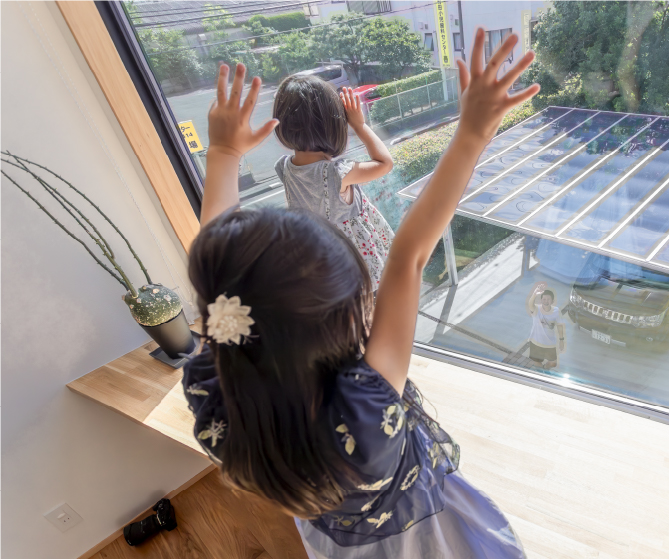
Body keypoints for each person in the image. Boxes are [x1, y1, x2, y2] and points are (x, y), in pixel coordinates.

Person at [183, 28, 540, 559]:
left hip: (332, 537)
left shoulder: (213, 400)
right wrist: (471, 135)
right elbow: (408, 254)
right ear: (347, 315)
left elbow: (405, 259)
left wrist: (222, 153)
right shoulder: (364, 408)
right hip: (422, 531)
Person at [272, 74, 394, 289]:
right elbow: (385, 163)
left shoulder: (284, 168)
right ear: (335, 125)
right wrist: (360, 125)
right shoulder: (338, 172)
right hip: (353, 262)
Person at [525, 281, 566, 369]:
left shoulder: (556, 311)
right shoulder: (536, 309)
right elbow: (530, 304)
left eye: (548, 299)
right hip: (536, 343)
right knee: (537, 363)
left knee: (553, 363)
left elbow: (560, 326)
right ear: (541, 300)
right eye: (544, 299)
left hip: (550, 343)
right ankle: (540, 374)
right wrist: (535, 294)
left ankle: (544, 369)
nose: (546, 301)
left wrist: (561, 340)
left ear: (552, 301)